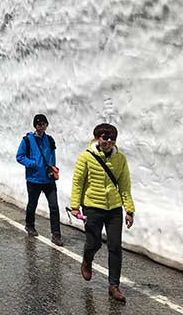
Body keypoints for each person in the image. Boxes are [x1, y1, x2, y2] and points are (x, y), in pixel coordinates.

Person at [70, 123, 135, 302]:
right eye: (104, 137)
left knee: (115, 246)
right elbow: (78, 183)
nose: (108, 141)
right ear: (97, 137)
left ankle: (114, 286)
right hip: (92, 207)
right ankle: (87, 260)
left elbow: (125, 186)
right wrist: (75, 206)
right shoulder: (86, 157)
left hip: (114, 209)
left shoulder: (120, 159)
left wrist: (129, 210)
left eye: (112, 138)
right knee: (94, 242)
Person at [15, 114, 63, 246]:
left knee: (54, 207)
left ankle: (56, 234)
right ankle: (29, 225)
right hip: (34, 179)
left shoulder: (50, 140)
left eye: (44, 124)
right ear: (35, 126)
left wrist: (53, 168)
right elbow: (19, 157)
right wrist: (32, 163)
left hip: (48, 179)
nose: (42, 127)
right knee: (32, 204)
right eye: (39, 124)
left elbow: (52, 156)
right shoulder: (27, 140)